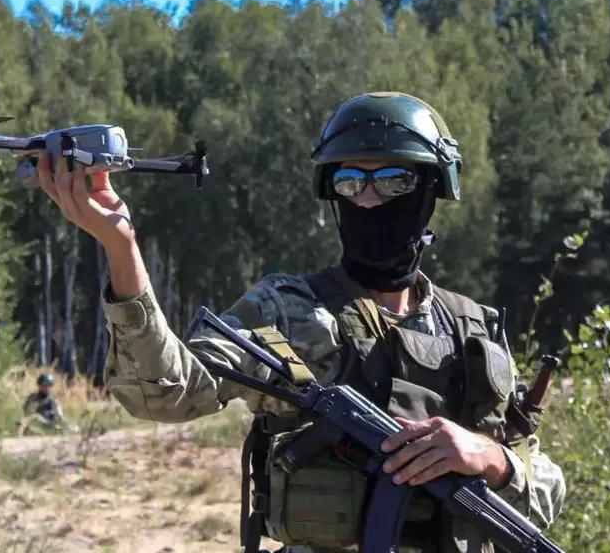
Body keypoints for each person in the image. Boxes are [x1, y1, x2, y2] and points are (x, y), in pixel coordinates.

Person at [35, 92, 566, 553]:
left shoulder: (472, 329)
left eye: (394, 181)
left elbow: (546, 491)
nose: (368, 200)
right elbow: (164, 394)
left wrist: (491, 458)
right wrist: (121, 248)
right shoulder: (288, 310)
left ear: (431, 190)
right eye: (350, 182)